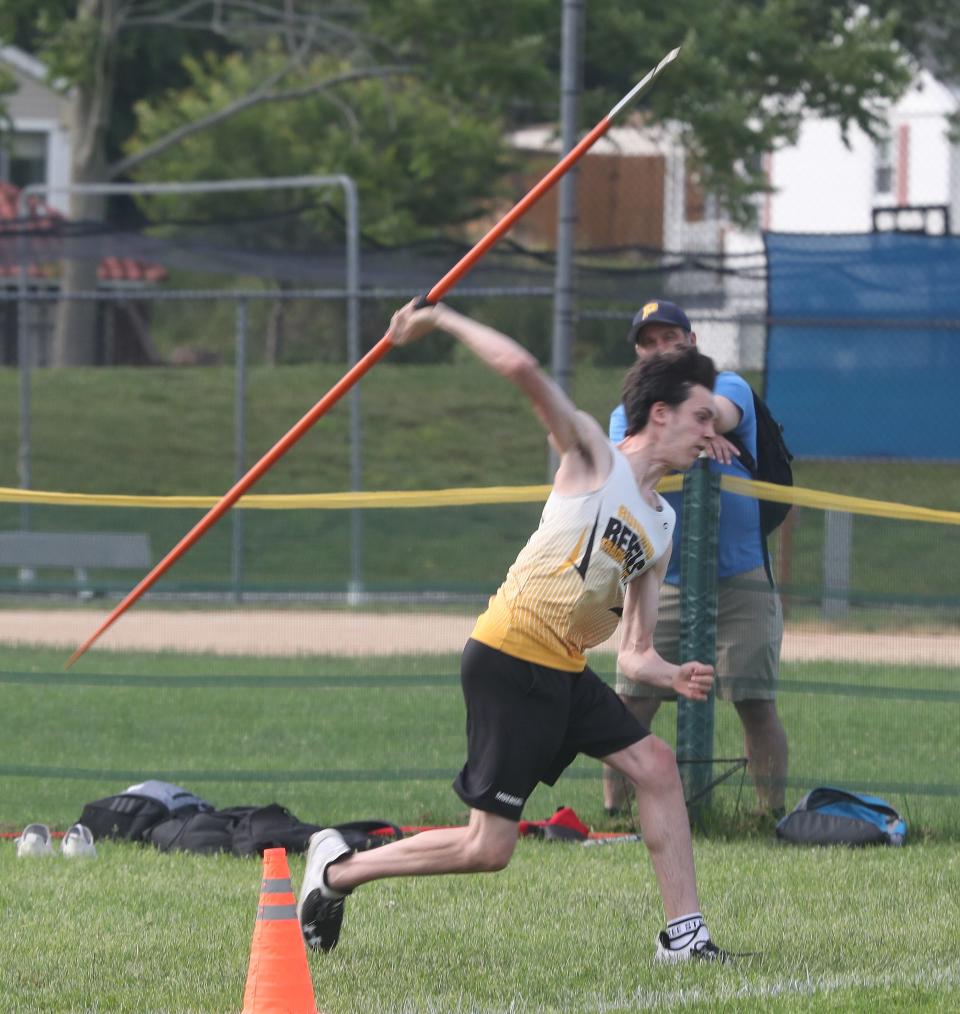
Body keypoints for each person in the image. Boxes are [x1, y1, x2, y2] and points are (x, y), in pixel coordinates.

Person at [297, 298, 732, 962]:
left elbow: (636, 653)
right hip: (509, 657)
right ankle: (336, 871)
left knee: (658, 765)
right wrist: (438, 320)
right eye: (702, 416)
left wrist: (668, 673)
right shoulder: (592, 456)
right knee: (487, 848)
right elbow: (521, 366)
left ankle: (685, 937)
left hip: (564, 671)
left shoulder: (663, 525)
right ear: (662, 413)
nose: (711, 431)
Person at [601, 299, 788, 819]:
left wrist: (705, 424)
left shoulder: (727, 387)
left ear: (692, 341)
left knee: (754, 699)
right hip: (662, 581)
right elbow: (635, 460)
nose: (661, 348)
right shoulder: (626, 414)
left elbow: (722, 414)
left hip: (740, 574)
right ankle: (616, 816)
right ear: (639, 353)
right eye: (649, 341)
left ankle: (770, 816)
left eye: (671, 338)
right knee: (632, 702)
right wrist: (704, 438)